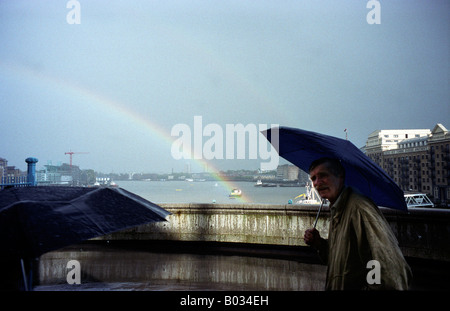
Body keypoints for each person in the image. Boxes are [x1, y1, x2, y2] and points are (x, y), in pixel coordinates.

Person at [303, 157, 412, 290]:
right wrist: (319, 244)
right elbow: (344, 264)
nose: (317, 183)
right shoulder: (338, 210)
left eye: (323, 176)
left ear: (340, 176)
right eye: (313, 178)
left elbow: (384, 267)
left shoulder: (360, 210)